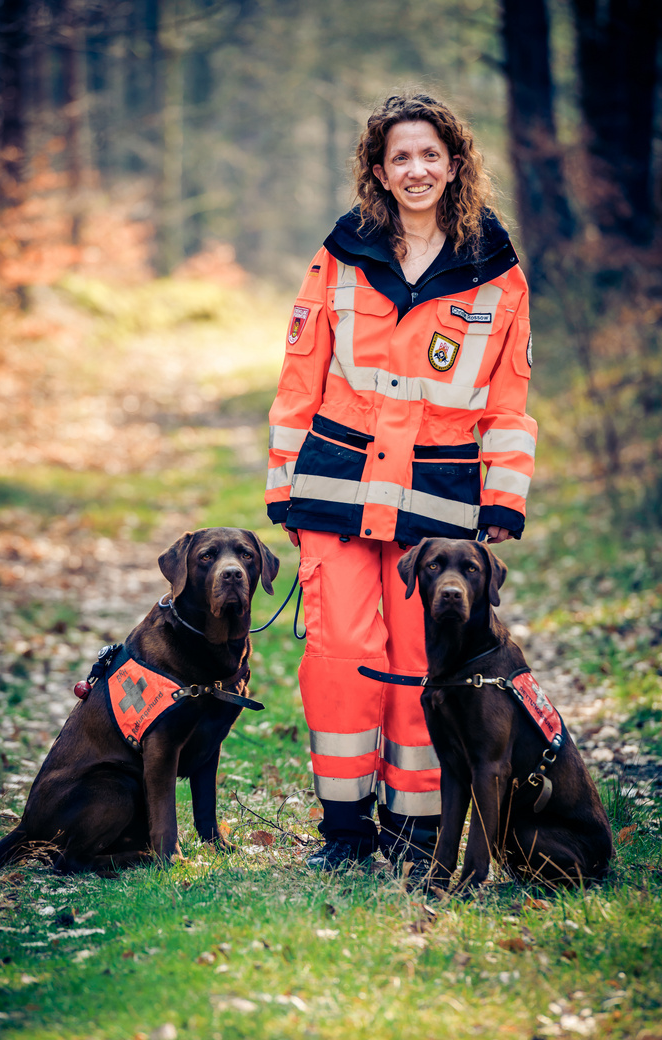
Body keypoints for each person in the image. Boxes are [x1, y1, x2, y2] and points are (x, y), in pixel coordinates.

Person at [265, 91, 537, 875]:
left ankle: (417, 832)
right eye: (398, 158)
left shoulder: (496, 271)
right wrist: (283, 484)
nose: (415, 170)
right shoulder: (343, 251)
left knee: (425, 661)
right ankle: (346, 832)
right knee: (341, 650)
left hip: (437, 499)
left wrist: (504, 499)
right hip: (337, 487)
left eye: (429, 155)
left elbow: (509, 400)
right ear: (377, 172)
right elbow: (299, 371)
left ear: (454, 164)